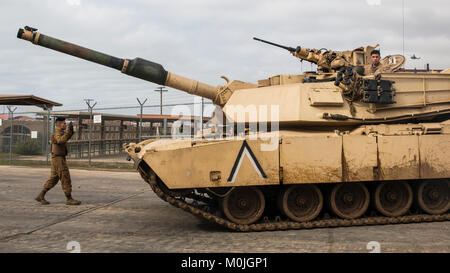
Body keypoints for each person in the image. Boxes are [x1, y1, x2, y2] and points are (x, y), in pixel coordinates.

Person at [35, 117, 81, 205]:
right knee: (65, 177)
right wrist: (68, 132)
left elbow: (65, 137)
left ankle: (41, 195)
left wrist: (70, 131)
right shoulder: (57, 133)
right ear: (59, 124)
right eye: (64, 123)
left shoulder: (61, 133)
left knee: (54, 179)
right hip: (58, 159)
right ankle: (69, 198)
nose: (65, 125)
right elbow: (60, 140)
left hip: (58, 158)